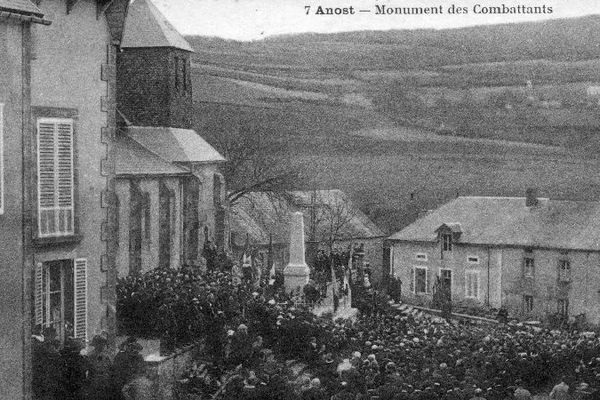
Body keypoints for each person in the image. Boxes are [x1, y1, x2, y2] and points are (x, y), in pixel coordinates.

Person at [86, 334, 113, 400]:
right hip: (94, 383)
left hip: (105, 382)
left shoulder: (107, 356)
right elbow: (87, 369)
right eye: (100, 343)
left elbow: (111, 368)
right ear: (96, 345)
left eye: (104, 344)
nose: (103, 345)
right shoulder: (90, 356)